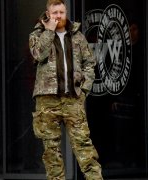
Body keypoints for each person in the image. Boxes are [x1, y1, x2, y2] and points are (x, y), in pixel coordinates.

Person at [28, 0, 103, 179]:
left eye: (61, 12)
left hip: (73, 98)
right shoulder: (37, 34)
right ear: (47, 14)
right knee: (51, 149)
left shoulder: (77, 36)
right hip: (47, 100)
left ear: (66, 12)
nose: (58, 16)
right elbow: (39, 54)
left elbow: (90, 64)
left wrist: (84, 90)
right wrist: (49, 31)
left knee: (83, 145)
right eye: (55, 13)